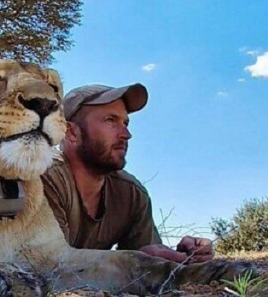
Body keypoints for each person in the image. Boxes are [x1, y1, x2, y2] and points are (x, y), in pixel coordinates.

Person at [42, 83, 213, 264]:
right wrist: (135, 260)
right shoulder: (44, 179)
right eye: (110, 120)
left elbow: (148, 269)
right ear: (71, 132)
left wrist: (182, 256)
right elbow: (47, 265)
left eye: (125, 123)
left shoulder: (130, 194)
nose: (126, 134)